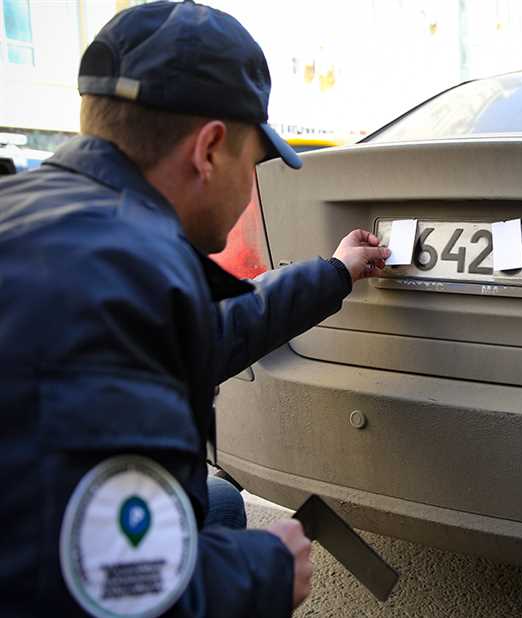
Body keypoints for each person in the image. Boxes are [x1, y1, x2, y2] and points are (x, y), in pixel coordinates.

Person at [0, 2, 390, 616]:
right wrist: (265, 573)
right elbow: (111, 587)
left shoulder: (51, 221)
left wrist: (335, 272)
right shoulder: (125, 280)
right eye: (254, 161)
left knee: (224, 505)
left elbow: (211, 330)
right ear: (209, 148)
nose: (249, 185)